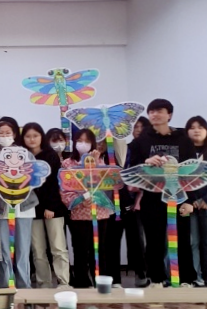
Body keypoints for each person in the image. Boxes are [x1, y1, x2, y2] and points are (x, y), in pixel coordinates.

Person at [126, 98, 195, 288]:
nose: (154, 114)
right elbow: (132, 169)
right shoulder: (141, 141)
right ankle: (155, 279)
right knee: (154, 241)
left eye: (159, 111)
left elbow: (193, 172)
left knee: (182, 239)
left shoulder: (183, 139)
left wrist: (190, 201)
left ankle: (186, 279)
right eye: (151, 111)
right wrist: (146, 162)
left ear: (169, 115)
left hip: (179, 197)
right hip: (152, 198)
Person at [62, 129, 117, 288]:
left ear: (93, 143)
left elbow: (106, 183)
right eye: (80, 140)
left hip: (100, 213)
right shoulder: (67, 163)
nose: (83, 144)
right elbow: (65, 188)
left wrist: (95, 162)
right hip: (79, 214)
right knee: (80, 251)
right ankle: (82, 284)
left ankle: (101, 283)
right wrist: (78, 200)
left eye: (87, 141)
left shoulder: (99, 160)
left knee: (99, 251)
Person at [23, 122, 69, 288]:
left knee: (58, 247)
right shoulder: (22, 157)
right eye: (28, 136)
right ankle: (44, 282)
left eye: (35, 136)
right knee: (38, 249)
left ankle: (64, 281)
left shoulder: (51, 156)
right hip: (31, 209)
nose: (32, 139)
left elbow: (56, 184)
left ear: (41, 137)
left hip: (53, 209)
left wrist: (51, 206)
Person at [0, 117, 34, 289]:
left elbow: (34, 176)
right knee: (4, 248)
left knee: (23, 249)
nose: (4, 136)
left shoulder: (25, 153)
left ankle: (24, 285)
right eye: (1, 133)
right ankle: (6, 284)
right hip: (1, 208)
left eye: (7, 133)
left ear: (14, 134)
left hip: (24, 207)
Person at [184, 116, 207, 287]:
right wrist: (191, 201)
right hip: (189, 204)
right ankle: (196, 277)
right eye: (192, 127)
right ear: (187, 132)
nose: (196, 130)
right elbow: (180, 179)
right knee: (192, 242)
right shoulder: (184, 153)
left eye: (200, 127)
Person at [121, 117, 153, 286]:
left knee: (150, 240)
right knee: (134, 239)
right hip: (127, 199)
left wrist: (140, 194)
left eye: (142, 126)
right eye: (135, 127)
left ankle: (152, 273)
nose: (138, 129)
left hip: (148, 199)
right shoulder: (127, 148)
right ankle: (139, 272)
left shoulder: (152, 149)